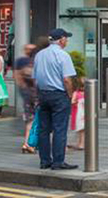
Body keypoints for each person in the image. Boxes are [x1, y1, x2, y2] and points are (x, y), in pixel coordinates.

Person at [33, 28, 78, 170]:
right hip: (59, 95)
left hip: (43, 94)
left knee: (43, 129)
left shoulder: (39, 55)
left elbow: (35, 78)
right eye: (66, 38)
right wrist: (70, 95)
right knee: (59, 129)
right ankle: (58, 162)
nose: (67, 41)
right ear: (61, 40)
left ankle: (45, 161)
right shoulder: (63, 55)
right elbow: (67, 79)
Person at [15, 43, 38, 154]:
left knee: (30, 120)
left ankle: (28, 143)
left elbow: (18, 76)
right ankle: (29, 143)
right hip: (35, 95)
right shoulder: (34, 62)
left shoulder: (24, 62)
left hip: (30, 94)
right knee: (35, 119)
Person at [68, 77, 85, 151]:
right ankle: (80, 143)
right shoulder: (77, 93)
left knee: (82, 130)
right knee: (80, 129)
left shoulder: (82, 94)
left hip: (82, 114)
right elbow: (72, 102)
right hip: (79, 114)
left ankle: (81, 143)